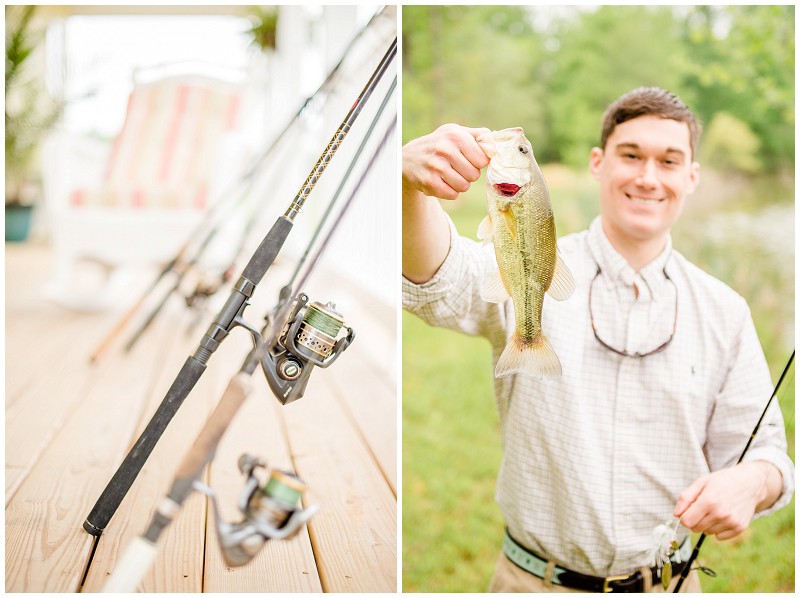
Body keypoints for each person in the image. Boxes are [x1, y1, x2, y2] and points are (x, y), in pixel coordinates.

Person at [401, 87, 794, 593]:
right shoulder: (538, 261)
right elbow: (439, 285)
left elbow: (768, 456)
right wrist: (409, 188)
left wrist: (753, 481)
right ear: (598, 163)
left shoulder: (726, 312)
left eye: (669, 161)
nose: (648, 177)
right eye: (630, 155)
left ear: (691, 177)